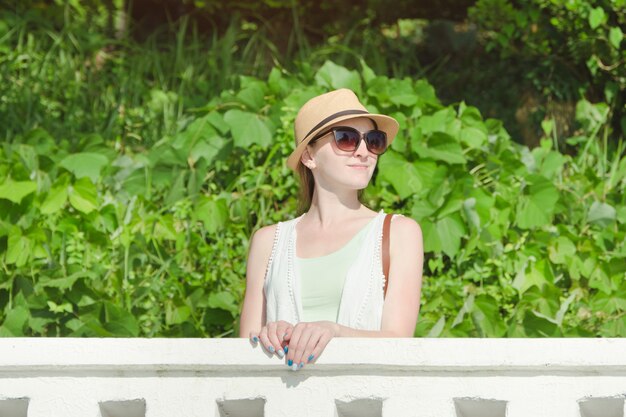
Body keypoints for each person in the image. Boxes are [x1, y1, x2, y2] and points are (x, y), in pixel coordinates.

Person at [239, 88, 423, 371]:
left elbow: (399, 342)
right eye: (346, 139)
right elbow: (243, 351)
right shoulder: (268, 241)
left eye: (373, 141)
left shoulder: (399, 233)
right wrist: (268, 334)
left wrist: (334, 332)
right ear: (308, 156)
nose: (364, 152)